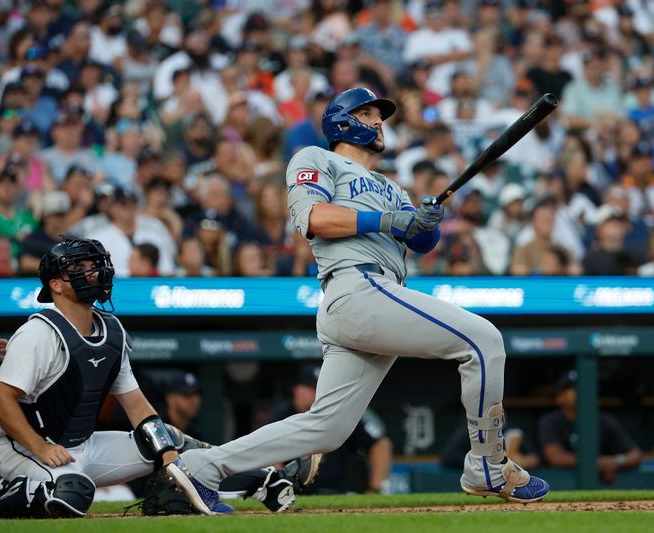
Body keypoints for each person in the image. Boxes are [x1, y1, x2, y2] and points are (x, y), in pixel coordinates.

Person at [165, 88, 549, 515]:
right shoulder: (316, 158)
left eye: (380, 116)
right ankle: (487, 465)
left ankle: (202, 466)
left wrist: (426, 222)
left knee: (326, 429)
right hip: (356, 288)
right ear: (343, 121)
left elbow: (420, 241)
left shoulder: (391, 186)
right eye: (367, 114)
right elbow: (313, 219)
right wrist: (391, 219)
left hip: (373, 296)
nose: (379, 121)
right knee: (483, 341)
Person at [0, 238, 230, 519]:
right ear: (56, 285)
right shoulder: (38, 332)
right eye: (78, 268)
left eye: (94, 266)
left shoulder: (112, 329)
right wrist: (40, 447)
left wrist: (170, 459)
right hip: (26, 448)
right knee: (72, 494)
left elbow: (137, 406)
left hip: (85, 445)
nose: (92, 273)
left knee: (168, 440)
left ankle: (258, 480)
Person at [139, 369, 318, 512]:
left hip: (170, 485)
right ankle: (273, 481)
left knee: (198, 459)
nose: (194, 400)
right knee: (174, 441)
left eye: (195, 394)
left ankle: (271, 482)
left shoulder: (195, 429)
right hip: (130, 489)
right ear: (170, 398)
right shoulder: (153, 426)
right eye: (187, 395)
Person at [266, 365, 392, 494]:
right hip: (296, 493)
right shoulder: (282, 415)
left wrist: (375, 489)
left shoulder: (343, 411)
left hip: (342, 493)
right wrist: (280, 490)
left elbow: (380, 445)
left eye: (322, 388)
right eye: (312, 388)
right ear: (297, 390)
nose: (318, 393)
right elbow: (269, 450)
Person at [538, 371, 642, 484]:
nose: (580, 392)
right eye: (572, 389)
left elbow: (636, 455)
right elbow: (555, 457)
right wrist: (595, 463)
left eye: (583, 387)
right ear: (559, 397)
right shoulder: (550, 421)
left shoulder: (604, 420)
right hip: (559, 483)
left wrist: (616, 461)